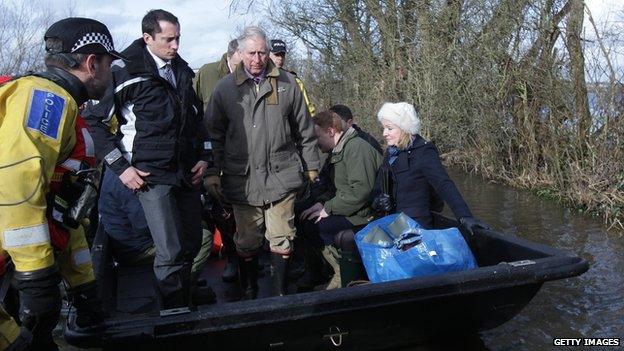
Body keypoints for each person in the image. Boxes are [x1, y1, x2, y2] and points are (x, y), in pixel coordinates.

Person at [0, 17, 124, 350]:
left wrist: (84, 288)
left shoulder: (64, 109)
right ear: (92, 63)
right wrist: (36, 276)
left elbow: (64, 214)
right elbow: (16, 183)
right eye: (110, 63)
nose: (112, 73)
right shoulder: (47, 99)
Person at [84, 9, 210, 309]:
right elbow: (93, 122)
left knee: (193, 242)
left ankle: (184, 297)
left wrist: (206, 157)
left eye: (178, 38)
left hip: (185, 172)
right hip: (150, 175)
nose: (176, 45)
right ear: (147, 37)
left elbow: (197, 120)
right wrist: (120, 168)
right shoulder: (124, 72)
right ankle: (171, 314)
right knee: (169, 249)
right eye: (169, 39)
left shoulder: (182, 71)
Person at [205, 26, 320, 298]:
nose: (257, 59)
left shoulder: (288, 84)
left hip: (282, 173)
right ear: (240, 53)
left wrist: (311, 166)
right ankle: (249, 288)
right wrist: (212, 171)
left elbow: (305, 129)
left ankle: (280, 290)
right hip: (241, 179)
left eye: (262, 52)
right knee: (247, 240)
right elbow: (212, 135)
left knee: (282, 235)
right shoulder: (224, 90)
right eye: (252, 53)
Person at [370, 102, 488, 234]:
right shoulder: (390, 154)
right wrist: (377, 201)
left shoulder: (424, 151)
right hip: (390, 221)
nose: (384, 133)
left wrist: (464, 216)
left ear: (404, 128)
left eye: (389, 128)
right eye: (384, 128)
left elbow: (443, 184)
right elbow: (378, 187)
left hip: (415, 226)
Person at [299, 110, 382, 289]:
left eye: (317, 136)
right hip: (352, 209)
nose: (315, 142)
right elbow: (334, 188)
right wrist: (321, 203)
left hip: (366, 215)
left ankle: (343, 274)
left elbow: (360, 192)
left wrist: (328, 208)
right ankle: (324, 271)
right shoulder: (337, 152)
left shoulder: (356, 149)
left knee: (317, 227)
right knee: (304, 217)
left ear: (330, 131)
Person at [193, 39, 242, 283]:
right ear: (233, 54)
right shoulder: (208, 73)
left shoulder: (255, 76)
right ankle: (231, 256)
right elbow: (192, 110)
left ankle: (247, 257)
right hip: (211, 152)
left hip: (243, 153)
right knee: (217, 201)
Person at [269, 39, 316, 117]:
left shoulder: (294, 80)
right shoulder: (257, 78)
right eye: (277, 55)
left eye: (282, 55)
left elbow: (308, 109)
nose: (280, 58)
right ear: (268, 54)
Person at [194, 39, 242, 108]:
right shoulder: (206, 73)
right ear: (228, 57)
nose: (241, 70)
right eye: (237, 66)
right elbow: (191, 104)